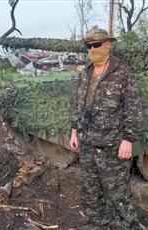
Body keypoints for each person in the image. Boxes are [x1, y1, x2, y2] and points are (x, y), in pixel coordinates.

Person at [69, 27, 143, 230]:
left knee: (117, 190)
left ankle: (128, 225)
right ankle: (99, 222)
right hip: (87, 142)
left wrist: (128, 139)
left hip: (111, 144)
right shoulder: (86, 72)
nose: (92, 49)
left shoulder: (122, 72)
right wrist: (74, 130)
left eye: (96, 45)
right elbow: (79, 104)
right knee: (90, 188)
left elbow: (133, 108)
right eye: (88, 46)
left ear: (108, 45)